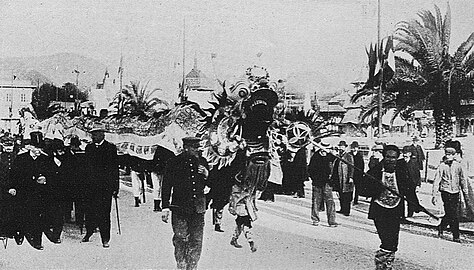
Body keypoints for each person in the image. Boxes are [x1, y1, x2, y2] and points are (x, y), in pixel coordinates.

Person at [361, 145, 420, 270]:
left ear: (397, 158)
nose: (390, 160)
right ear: (384, 156)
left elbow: (409, 188)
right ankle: (382, 264)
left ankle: (385, 264)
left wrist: (415, 204)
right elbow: (363, 189)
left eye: (393, 157)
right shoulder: (376, 170)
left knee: (393, 240)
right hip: (379, 208)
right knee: (385, 239)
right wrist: (377, 187)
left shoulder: (402, 170)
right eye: (388, 157)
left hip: (395, 208)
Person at [161, 137, 210, 270]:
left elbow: (211, 185)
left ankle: (192, 266)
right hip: (180, 208)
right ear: (186, 148)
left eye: (198, 147)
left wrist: (207, 174)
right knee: (181, 238)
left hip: (198, 209)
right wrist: (165, 207)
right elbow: (166, 185)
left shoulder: (203, 162)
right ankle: (181, 264)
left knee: (197, 240)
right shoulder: (174, 162)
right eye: (194, 148)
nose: (197, 150)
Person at [8, 131, 56, 250]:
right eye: (36, 148)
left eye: (40, 148)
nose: (38, 151)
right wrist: (12, 187)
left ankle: (37, 240)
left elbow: (54, 174)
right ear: (30, 147)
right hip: (23, 192)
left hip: (40, 193)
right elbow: (13, 175)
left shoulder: (46, 159)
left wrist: (46, 179)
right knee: (22, 213)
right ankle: (20, 234)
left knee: (38, 216)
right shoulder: (21, 158)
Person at [81, 123, 119, 248]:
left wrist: (115, 187)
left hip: (105, 188)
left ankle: (105, 238)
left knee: (104, 213)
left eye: (96, 134)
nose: (93, 136)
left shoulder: (110, 148)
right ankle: (89, 232)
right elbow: (86, 168)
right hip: (90, 187)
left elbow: (114, 169)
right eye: (92, 134)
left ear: (103, 134)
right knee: (90, 211)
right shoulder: (89, 148)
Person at [431, 147, 468, 243]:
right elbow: (436, 180)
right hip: (445, 192)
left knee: (451, 213)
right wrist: (434, 194)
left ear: (454, 155)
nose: (449, 157)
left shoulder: (458, 166)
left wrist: (465, 192)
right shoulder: (442, 166)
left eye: (451, 155)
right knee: (453, 214)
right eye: (447, 155)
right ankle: (456, 235)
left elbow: (463, 179)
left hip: (455, 192)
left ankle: (441, 226)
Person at [308, 142, 338, 227]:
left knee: (330, 202)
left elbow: (334, 169)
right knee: (316, 201)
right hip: (317, 183)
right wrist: (314, 179)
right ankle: (315, 219)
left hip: (327, 183)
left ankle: (332, 221)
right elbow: (310, 169)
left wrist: (332, 181)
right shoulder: (315, 156)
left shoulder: (331, 157)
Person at [228, 171, 258, 252]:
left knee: (240, 226)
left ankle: (234, 239)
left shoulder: (247, 188)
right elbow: (236, 198)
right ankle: (251, 242)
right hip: (241, 211)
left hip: (246, 210)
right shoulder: (236, 188)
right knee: (246, 227)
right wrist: (246, 194)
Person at [331, 140, 354, 216]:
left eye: (342, 147)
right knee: (340, 194)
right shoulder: (338, 156)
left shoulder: (348, 156)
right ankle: (342, 209)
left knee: (346, 195)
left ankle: (346, 210)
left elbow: (351, 167)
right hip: (339, 179)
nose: (341, 148)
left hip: (346, 178)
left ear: (345, 147)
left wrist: (350, 177)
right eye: (340, 146)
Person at [150, 145, 175, 212]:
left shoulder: (157, 149)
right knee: (159, 188)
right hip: (159, 171)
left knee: (158, 188)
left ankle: (158, 205)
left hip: (159, 171)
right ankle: (158, 205)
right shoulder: (169, 150)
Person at [400, 146, 421, 218]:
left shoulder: (414, 163)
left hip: (411, 184)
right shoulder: (400, 162)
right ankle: (401, 215)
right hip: (402, 184)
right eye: (404, 153)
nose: (405, 154)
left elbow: (417, 174)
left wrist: (418, 185)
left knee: (410, 200)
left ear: (410, 154)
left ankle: (410, 214)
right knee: (401, 200)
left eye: (407, 153)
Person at [350, 141, 365, 205]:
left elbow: (362, 165)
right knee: (350, 188)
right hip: (351, 173)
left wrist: (361, 173)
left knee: (357, 188)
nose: (354, 149)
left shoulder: (360, 155)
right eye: (353, 147)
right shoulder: (349, 154)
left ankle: (356, 200)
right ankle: (350, 199)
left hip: (358, 174)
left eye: (356, 147)